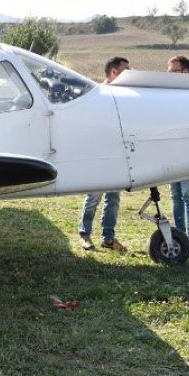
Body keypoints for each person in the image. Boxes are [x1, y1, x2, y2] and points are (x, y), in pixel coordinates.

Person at [78, 56, 130, 253]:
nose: (130, 72)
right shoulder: (97, 94)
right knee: (93, 196)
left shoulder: (127, 95)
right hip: (99, 154)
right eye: (126, 69)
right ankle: (84, 234)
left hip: (117, 154)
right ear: (114, 72)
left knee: (113, 198)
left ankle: (108, 238)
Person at [167, 55, 189, 253]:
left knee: (188, 195)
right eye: (169, 71)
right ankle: (179, 236)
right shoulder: (168, 95)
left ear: (186, 72)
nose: (169, 75)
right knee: (175, 196)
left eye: (174, 71)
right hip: (172, 153)